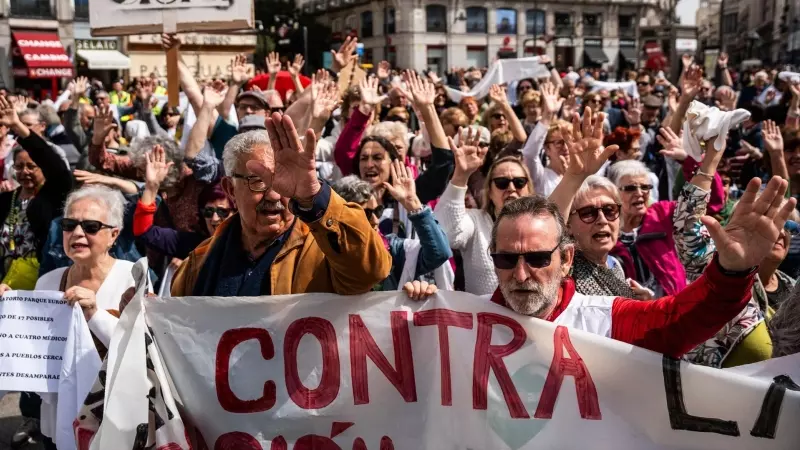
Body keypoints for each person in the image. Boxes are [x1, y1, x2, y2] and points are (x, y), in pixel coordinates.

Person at [486, 174, 796, 358]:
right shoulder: (461, 321)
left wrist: (731, 273)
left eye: (538, 258)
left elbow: (683, 318)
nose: (521, 274)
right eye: (507, 259)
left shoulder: (605, 319)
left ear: (566, 259)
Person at [170, 114, 391, 296]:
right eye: (258, 182)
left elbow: (371, 271)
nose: (275, 195)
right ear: (230, 189)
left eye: (285, 183)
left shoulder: (325, 251)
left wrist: (313, 195)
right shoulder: (199, 264)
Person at [1, 185, 137, 449]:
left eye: (91, 226)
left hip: (115, 417)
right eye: (69, 224)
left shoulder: (133, 277)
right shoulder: (48, 281)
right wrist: (6, 315)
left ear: (114, 234)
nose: (77, 233)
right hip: (60, 417)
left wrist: (94, 314)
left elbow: (143, 348)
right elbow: (30, 351)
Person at [435, 128, 533, 296]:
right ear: (489, 190)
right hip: (484, 319)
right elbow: (448, 234)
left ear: (528, 188)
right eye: (502, 183)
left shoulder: (542, 224)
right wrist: (460, 176)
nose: (511, 188)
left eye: (519, 182)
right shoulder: (475, 221)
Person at [332, 170, 452, 291]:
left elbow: (439, 253)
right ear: (343, 218)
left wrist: (412, 203)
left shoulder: (393, 248)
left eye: (377, 211)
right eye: (366, 214)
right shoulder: (323, 253)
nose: (376, 220)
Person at [0, 96, 73, 288]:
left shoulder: (53, 196)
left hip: (43, 283)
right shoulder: (6, 200)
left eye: (31, 166)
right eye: (19, 166)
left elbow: (52, 162)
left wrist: (18, 126)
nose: (24, 171)